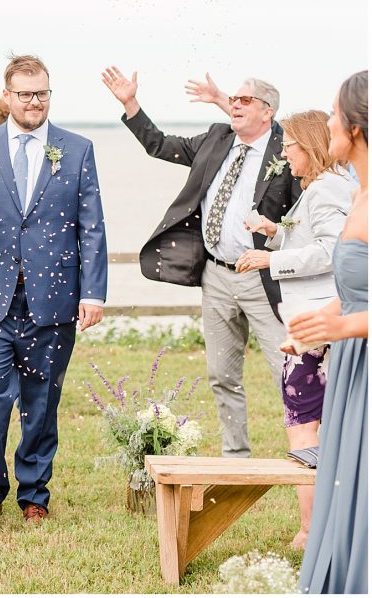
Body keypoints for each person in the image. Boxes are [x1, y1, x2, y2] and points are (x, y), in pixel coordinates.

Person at [102, 65, 302, 458]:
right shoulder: (216, 137)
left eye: (245, 100)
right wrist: (130, 103)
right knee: (222, 375)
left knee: (289, 369)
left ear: (268, 112)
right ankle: (236, 457)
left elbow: (303, 217)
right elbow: (160, 145)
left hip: (265, 280)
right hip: (216, 276)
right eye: (234, 100)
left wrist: (279, 252)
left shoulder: (287, 151)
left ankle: (309, 447)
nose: (235, 105)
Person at [0, 55, 108, 524]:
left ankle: (34, 494)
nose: (34, 101)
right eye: (24, 94)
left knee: (41, 403)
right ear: (7, 96)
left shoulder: (77, 149)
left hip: (52, 299)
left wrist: (92, 293)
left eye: (41, 93)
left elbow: (91, 226)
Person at [238, 109, 354, 549]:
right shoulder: (331, 188)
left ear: (309, 146)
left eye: (289, 145)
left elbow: (330, 253)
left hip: (313, 327)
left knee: (303, 425)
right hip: (325, 322)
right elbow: (312, 239)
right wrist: (274, 232)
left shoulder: (325, 191)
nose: (284, 154)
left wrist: (271, 259)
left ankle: (310, 532)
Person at [292, 70, 367, 594]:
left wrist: (344, 325)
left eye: (336, 114)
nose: (330, 121)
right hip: (350, 358)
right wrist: (322, 322)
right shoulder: (360, 193)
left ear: (357, 127)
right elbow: (358, 278)